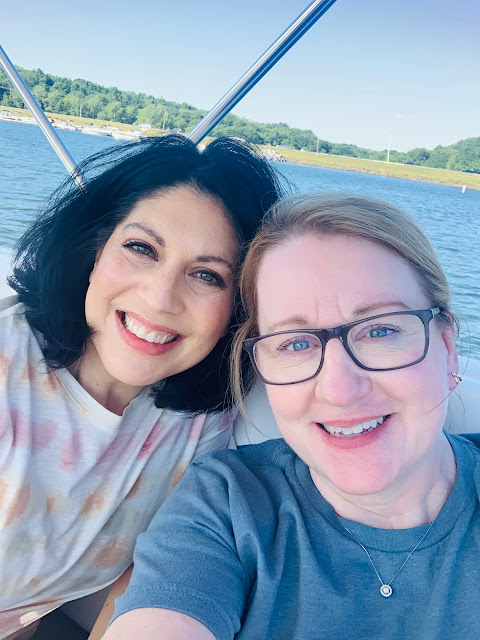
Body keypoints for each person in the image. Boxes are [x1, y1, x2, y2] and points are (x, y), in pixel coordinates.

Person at [104, 193, 480, 640]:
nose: (339, 390)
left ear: (447, 348)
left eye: (380, 330)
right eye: (296, 343)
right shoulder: (227, 504)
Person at [0, 134, 283, 640]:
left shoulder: (202, 426)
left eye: (207, 275)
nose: (160, 297)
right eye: (141, 248)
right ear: (95, 248)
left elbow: (142, 571)